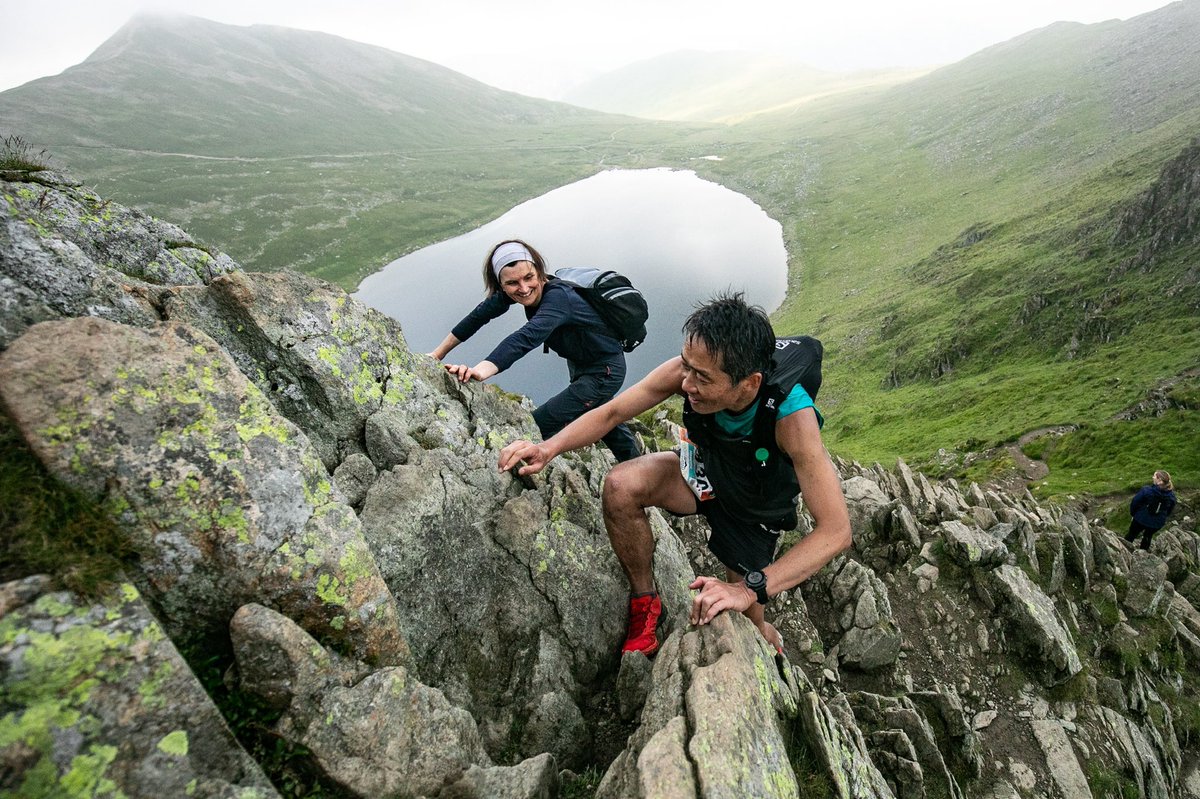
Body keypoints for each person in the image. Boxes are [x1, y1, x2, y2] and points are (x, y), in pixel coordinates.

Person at [498, 292, 852, 655]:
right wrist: (548, 448)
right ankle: (644, 600)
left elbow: (836, 531)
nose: (686, 384)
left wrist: (747, 589)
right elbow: (612, 413)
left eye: (703, 378)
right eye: (687, 366)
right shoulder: (688, 372)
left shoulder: (793, 420)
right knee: (620, 485)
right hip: (706, 472)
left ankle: (762, 631)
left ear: (749, 383)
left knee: (745, 617)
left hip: (755, 505)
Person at [430, 239, 640, 462]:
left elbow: (526, 337)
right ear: (501, 285)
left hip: (604, 371)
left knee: (536, 425)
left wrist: (480, 371)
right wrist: (437, 354)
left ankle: (640, 471)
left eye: (529, 277)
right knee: (605, 419)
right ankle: (639, 468)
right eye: (512, 283)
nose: (523, 288)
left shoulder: (559, 298)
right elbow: (477, 317)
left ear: (539, 271)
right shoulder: (518, 291)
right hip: (583, 364)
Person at [1125, 470, 1177, 551]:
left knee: (1131, 534)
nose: (1152, 477)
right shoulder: (1172, 497)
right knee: (1148, 536)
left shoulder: (1147, 490)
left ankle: (1124, 550)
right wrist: (1162, 517)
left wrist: (1134, 514)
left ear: (1159, 480)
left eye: (1154, 476)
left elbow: (1135, 502)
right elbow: (1169, 510)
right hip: (1157, 523)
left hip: (1140, 518)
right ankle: (1143, 554)